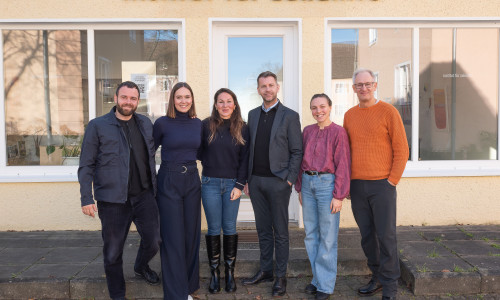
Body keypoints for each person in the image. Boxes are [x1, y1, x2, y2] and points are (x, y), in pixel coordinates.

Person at [78, 81, 160, 300]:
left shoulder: (144, 123)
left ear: (137, 101)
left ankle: (141, 266)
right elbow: (87, 164)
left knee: (154, 241)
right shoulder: (98, 125)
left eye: (133, 98)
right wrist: (86, 197)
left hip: (144, 196)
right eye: (124, 97)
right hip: (113, 200)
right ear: (115, 98)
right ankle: (118, 295)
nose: (128, 102)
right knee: (113, 252)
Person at [343, 69, 409, 300]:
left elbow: (402, 150)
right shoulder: (349, 115)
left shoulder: (389, 112)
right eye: (359, 85)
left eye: (368, 84)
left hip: (382, 185)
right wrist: (347, 184)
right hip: (357, 187)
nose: (363, 88)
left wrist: (391, 181)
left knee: (386, 236)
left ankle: (391, 287)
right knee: (367, 236)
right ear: (353, 88)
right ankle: (378, 276)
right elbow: (347, 152)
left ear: (375, 85)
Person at [242, 71, 303, 297]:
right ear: (258, 90)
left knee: (281, 231)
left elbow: (297, 150)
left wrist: (289, 178)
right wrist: (248, 179)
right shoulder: (253, 114)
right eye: (263, 86)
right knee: (262, 229)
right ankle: (266, 270)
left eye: (271, 85)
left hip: (279, 182)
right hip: (256, 181)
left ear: (277, 87)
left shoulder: (290, 116)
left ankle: (280, 276)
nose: (267, 89)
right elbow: (250, 149)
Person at [295, 94, 351, 300]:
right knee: (311, 234)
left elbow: (343, 164)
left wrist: (339, 195)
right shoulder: (307, 131)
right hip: (308, 184)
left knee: (327, 236)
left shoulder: (339, 132)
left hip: (328, 186)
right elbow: (301, 160)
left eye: (322, 107)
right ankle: (317, 279)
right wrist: (300, 187)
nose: (318, 111)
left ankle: (325, 286)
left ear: (330, 107)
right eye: (314, 108)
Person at [153, 82, 202, 300]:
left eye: (187, 97)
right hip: (169, 180)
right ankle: (176, 295)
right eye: (179, 97)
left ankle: (189, 286)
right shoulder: (162, 123)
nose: (183, 101)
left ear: (192, 100)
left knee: (191, 235)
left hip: (192, 178)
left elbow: (205, 152)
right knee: (172, 237)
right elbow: (148, 153)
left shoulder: (198, 124)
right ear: (172, 99)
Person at [200, 88, 249, 294]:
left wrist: (239, 185)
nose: (225, 105)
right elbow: (198, 150)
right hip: (210, 182)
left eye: (229, 101)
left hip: (232, 185)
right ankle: (214, 274)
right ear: (215, 104)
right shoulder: (205, 125)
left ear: (235, 104)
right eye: (221, 102)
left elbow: (245, 159)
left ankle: (229, 272)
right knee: (213, 228)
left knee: (229, 227)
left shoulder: (243, 127)